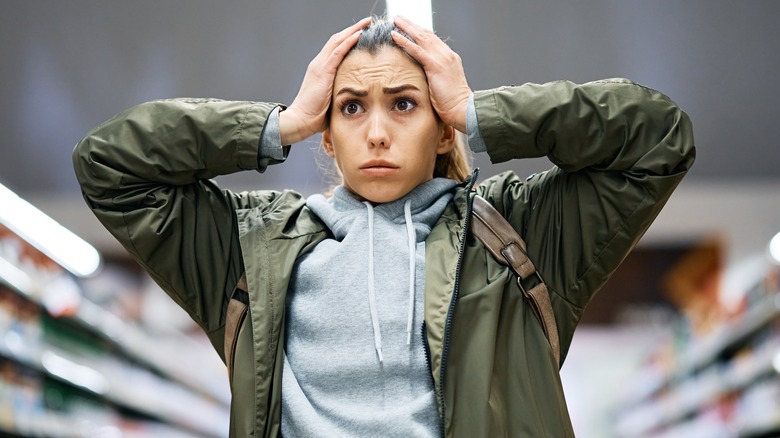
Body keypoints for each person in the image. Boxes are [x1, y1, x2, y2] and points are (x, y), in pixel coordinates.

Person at [73, 15, 695, 438]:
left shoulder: (516, 234)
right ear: (328, 131)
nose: (376, 131)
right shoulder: (252, 250)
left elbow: (657, 138)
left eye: (404, 104)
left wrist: (482, 113)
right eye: (350, 108)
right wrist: (281, 124)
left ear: (441, 125)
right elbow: (108, 165)